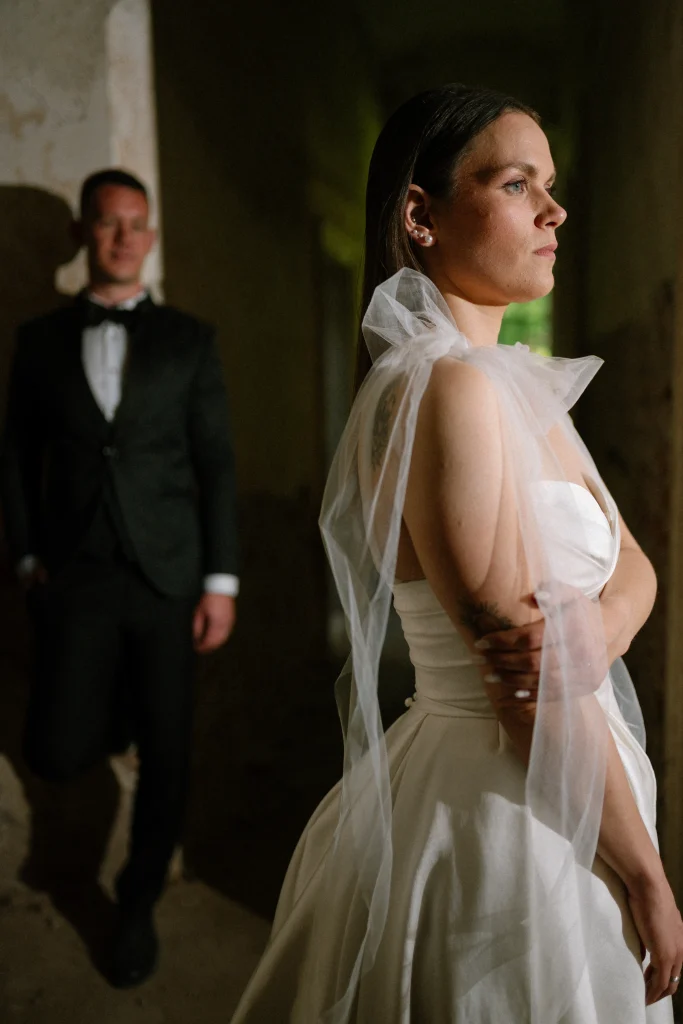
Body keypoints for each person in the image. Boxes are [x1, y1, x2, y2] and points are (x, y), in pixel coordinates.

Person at [231, 86, 683, 1023]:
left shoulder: (509, 382)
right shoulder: (447, 391)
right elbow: (525, 687)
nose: (555, 211)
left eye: (549, 184)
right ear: (419, 214)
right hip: (509, 803)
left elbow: (636, 563)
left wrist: (595, 633)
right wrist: (645, 873)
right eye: (517, 184)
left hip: (567, 768)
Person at [0, 169, 239, 989]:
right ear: (82, 234)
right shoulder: (39, 340)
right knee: (58, 745)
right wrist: (25, 555)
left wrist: (221, 581)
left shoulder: (189, 340)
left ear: (151, 236)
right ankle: (121, 709)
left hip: (170, 575)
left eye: (136, 223)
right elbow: (13, 457)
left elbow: (215, 465)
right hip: (74, 574)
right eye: (107, 223)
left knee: (168, 749)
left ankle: (135, 904)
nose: (123, 237)